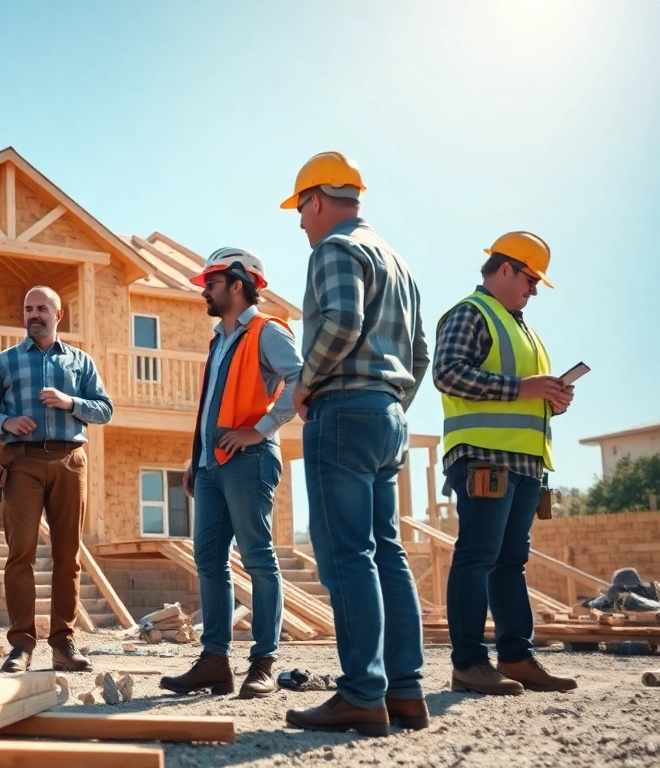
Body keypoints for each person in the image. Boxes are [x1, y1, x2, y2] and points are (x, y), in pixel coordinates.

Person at [279, 152, 430, 737]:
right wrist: (390, 405)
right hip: (387, 414)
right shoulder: (400, 262)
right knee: (386, 551)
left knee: (348, 555)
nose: (300, 224)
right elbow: (417, 353)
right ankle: (406, 691)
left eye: (300, 210)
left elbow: (340, 321)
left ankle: (363, 695)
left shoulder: (335, 250)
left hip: (341, 410)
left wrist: (307, 384)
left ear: (316, 200)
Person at [434, 231, 576, 695]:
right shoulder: (470, 313)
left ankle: (516, 656)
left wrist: (551, 398)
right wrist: (525, 389)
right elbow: (448, 374)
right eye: (531, 280)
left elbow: (524, 388)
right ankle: (469, 664)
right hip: (483, 458)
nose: (533, 290)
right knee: (477, 557)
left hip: (525, 463)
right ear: (506, 269)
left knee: (511, 561)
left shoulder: (522, 328)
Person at [158, 249, 301, 699]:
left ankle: (263, 662)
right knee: (209, 562)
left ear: (238, 284)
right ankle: (215, 662)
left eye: (212, 283)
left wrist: (260, 431)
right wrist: (195, 458)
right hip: (211, 466)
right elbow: (212, 407)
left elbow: (301, 379)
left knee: (258, 557)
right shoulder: (219, 339)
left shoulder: (267, 332)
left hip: (249, 461)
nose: (205, 290)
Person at [0, 286, 113, 673]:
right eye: (28, 309)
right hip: (20, 462)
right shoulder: (4, 362)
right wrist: (5, 421)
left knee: (67, 555)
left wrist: (71, 402)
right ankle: (21, 644)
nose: (34, 314)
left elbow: (105, 409)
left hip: (70, 461)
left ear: (59, 315)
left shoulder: (81, 362)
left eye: (42, 308)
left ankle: (63, 643)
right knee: (20, 553)